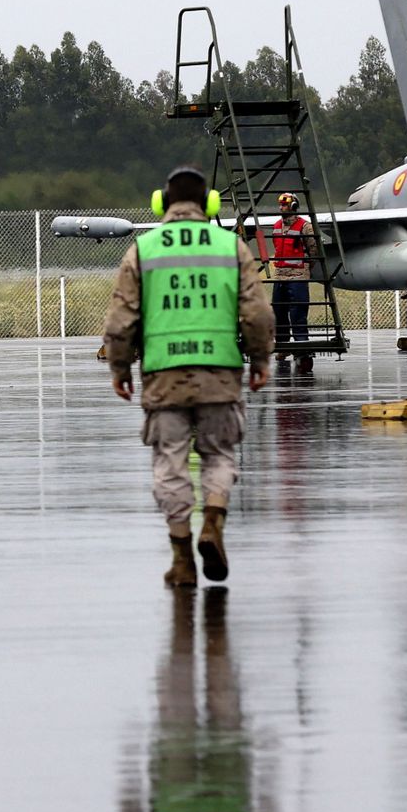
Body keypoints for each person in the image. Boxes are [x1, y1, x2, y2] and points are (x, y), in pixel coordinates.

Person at [102, 166, 272, 587]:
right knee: (218, 454)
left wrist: (120, 368)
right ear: (209, 204)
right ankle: (212, 522)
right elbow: (256, 313)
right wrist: (261, 360)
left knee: (170, 463)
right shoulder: (230, 247)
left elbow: (122, 319)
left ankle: (181, 560)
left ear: (161, 204)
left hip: (164, 374)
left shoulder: (143, 249)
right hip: (220, 373)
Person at [262, 192, 313, 372]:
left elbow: (313, 250)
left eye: (284, 204)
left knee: (298, 313)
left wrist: (305, 268)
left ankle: (301, 346)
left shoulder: (304, 227)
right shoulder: (276, 226)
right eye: (280, 204)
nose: (281, 207)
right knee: (279, 311)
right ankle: (282, 347)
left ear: (293, 206)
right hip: (281, 276)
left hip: (298, 277)